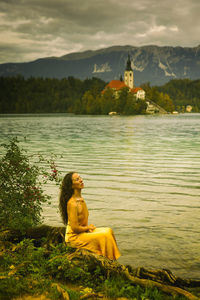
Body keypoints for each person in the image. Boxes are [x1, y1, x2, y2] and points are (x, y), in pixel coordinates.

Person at [59, 172, 120, 260]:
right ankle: (109, 260)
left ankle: (110, 260)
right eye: (77, 179)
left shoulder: (80, 199)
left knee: (109, 230)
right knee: (105, 235)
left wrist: (87, 228)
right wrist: (87, 228)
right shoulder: (72, 204)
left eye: (80, 178)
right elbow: (75, 228)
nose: (81, 180)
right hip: (74, 237)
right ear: (71, 186)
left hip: (82, 232)